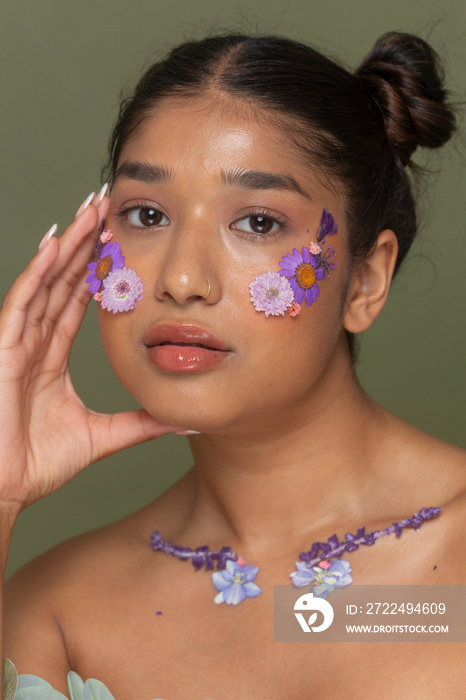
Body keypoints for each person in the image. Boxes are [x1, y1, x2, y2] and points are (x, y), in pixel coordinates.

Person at [1, 31, 465, 699]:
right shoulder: (55, 612)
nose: (184, 279)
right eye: (147, 213)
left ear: (365, 281)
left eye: (257, 223)